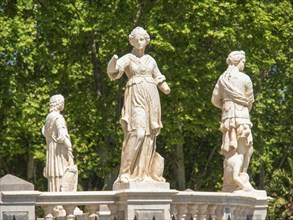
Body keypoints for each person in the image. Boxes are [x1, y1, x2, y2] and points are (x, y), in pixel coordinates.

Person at [107, 27, 170, 183]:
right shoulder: (128, 58)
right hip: (135, 96)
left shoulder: (151, 60)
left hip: (152, 98)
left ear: (146, 41)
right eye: (137, 39)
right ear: (132, 41)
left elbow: (158, 77)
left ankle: (144, 173)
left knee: (149, 136)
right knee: (138, 132)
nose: (140, 42)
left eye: (142, 39)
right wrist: (113, 62)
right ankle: (125, 172)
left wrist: (165, 87)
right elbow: (114, 71)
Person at [211, 51, 254, 191]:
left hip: (227, 116)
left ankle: (231, 182)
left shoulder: (222, 80)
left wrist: (225, 107)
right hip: (242, 116)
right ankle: (241, 176)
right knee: (246, 147)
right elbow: (250, 101)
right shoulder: (245, 78)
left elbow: (214, 100)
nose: (244, 64)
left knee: (231, 149)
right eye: (243, 62)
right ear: (238, 61)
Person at [43, 94, 74, 192]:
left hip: (51, 150)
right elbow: (61, 136)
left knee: (53, 173)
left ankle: (54, 198)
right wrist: (69, 147)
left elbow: (44, 131)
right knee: (61, 171)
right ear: (59, 104)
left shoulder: (48, 117)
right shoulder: (58, 118)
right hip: (59, 151)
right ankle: (59, 203)